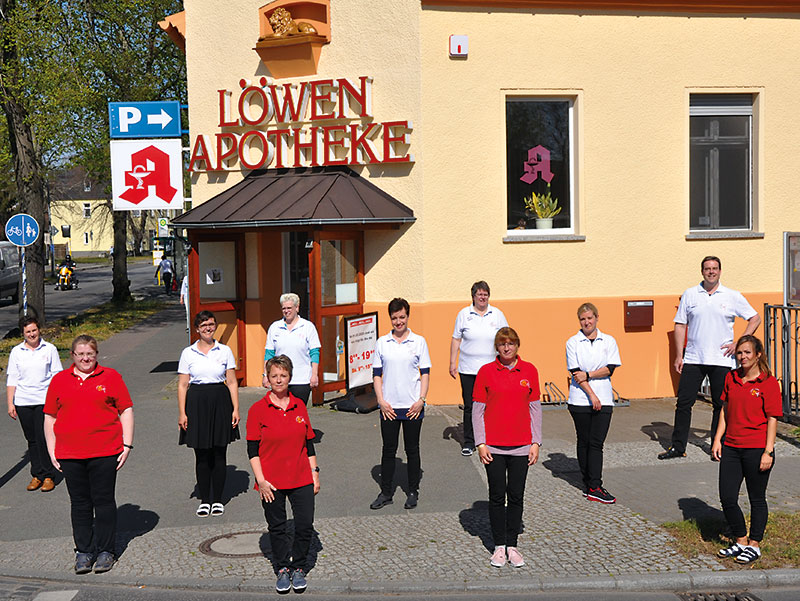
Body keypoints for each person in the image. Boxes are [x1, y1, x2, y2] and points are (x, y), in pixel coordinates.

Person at [43, 335, 134, 574]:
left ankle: (106, 551)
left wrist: (127, 445)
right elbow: (50, 417)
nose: (85, 358)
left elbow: (125, 409)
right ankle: (84, 550)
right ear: (72, 356)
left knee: (103, 502)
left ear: (96, 355)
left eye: (90, 354)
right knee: (80, 503)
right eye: (80, 354)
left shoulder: (111, 377)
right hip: (70, 454)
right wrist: (52, 451)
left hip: (105, 451)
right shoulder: (60, 380)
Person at [659, 256, 761, 460]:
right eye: (707, 269)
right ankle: (678, 447)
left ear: (720, 271)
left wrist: (739, 343)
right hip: (694, 358)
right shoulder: (690, 294)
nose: (711, 272)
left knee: (720, 404)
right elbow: (680, 325)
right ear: (702, 271)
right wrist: (679, 355)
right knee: (684, 403)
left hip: (721, 359)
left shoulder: (731, 295)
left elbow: (754, 318)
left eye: (714, 268)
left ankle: (718, 445)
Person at [247, 355, 320, 594]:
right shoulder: (258, 410)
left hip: (301, 477)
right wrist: (261, 481)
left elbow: (309, 443)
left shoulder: (299, 405)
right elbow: (252, 450)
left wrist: (315, 473)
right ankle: (281, 568)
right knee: (277, 527)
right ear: (268, 379)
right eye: (274, 376)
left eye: (283, 375)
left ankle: (298, 567)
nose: (279, 380)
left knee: (305, 524)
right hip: (271, 481)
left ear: (290, 377)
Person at [473, 327, 541, 568]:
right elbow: (478, 410)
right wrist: (480, 443)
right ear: (497, 347)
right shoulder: (486, 372)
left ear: (517, 345)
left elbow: (535, 408)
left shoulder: (530, 370)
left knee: (516, 496)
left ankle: (512, 545)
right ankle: (498, 546)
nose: (506, 347)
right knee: (496, 495)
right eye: (502, 344)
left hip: (522, 446)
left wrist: (536, 442)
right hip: (493, 446)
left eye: (511, 343)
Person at [712, 335, 781, 565]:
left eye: (747, 353)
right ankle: (740, 539)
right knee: (727, 497)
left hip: (756, 448)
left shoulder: (768, 383)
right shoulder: (731, 378)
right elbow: (724, 409)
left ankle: (754, 544)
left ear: (758, 354)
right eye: (739, 353)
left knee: (756, 498)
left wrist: (768, 451)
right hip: (731, 446)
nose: (742, 357)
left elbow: (772, 419)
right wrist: (717, 439)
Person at [370, 298, 431, 511]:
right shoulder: (381, 343)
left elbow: (425, 374)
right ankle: (386, 492)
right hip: (389, 407)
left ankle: (412, 491)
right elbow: (377, 375)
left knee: (412, 450)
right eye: (395, 318)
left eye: (402, 317)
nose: (399, 321)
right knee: (388, 450)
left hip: (412, 406)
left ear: (408, 316)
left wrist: (421, 400)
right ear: (391, 318)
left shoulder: (419, 342)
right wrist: (381, 401)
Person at [178, 310, 240, 517]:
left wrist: (236, 408)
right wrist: (182, 413)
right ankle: (205, 499)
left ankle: (218, 499)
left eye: (211, 324)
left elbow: (231, 382)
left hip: (220, 401)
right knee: (202, 454)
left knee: (220, 452)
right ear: (197, 329)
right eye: (204, 325)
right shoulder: (188, 353)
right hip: (196, 403)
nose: (208, 328)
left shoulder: (225, 351)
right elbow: (183, 384)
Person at [566, 303, 621, 504]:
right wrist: (591, 395)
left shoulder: (608, 341)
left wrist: (589, 374)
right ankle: (589, 483)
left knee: (596, 443)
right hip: (580, 399)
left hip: (605, 398)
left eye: (590, 318)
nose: (587, 322)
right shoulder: (573, 342)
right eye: (583, 319)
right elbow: (575, 372)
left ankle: (595, 485)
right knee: (584, 440)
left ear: (597, 317)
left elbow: (610, 368)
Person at [449, 281, 508, 456]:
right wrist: (452, 362)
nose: (482, 298)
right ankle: (469, 441)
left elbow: (506, 337)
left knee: (492, 405)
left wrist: (508, 361)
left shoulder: (497, 314)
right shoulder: (464, 314)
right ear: (473, 296)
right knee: (470, 406)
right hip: (468, 369)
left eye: (485, 294)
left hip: (492, 369)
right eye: (479, 295)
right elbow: (456, 340)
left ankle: (490, 438)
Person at [6, 316, 63, 492]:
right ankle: (36, 474)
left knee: (43, 437)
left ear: (39, 330)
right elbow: (12, 378)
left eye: (34, 330)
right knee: (31, 439)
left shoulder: (50, 349)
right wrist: (11, 403)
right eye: (28, 332)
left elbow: (57, 377)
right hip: (23, 401)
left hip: (43, 400)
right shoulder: (17, 352)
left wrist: (58, 401)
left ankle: (48, 475)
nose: (32, 334)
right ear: (23, 334)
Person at [263, 293, 321, 405]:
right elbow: (269, 354)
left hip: (301, 379)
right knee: (280, 412)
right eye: (284, 308)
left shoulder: (308, 327)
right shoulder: (275, 327)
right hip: (280, 379)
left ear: (297, 308)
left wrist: (314, 375)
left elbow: (314, 353)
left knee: (297, 413)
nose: (286, 311)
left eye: (289, 308)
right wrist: (266, 375)